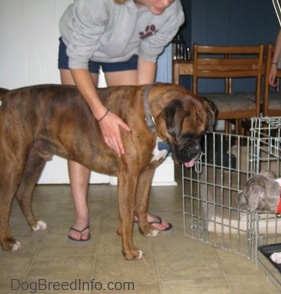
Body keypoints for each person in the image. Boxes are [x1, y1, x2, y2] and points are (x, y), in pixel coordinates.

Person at [58, 0, 185, 241]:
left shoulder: (173, 12)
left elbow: (148, 57)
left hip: (127, 51)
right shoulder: (97, 4)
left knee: (135, 131)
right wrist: (102, 114)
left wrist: (143, 115)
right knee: (79, 134)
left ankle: (138, 212)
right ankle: (82, 215)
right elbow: (77, 61)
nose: (166, 2)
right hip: (80, 49)